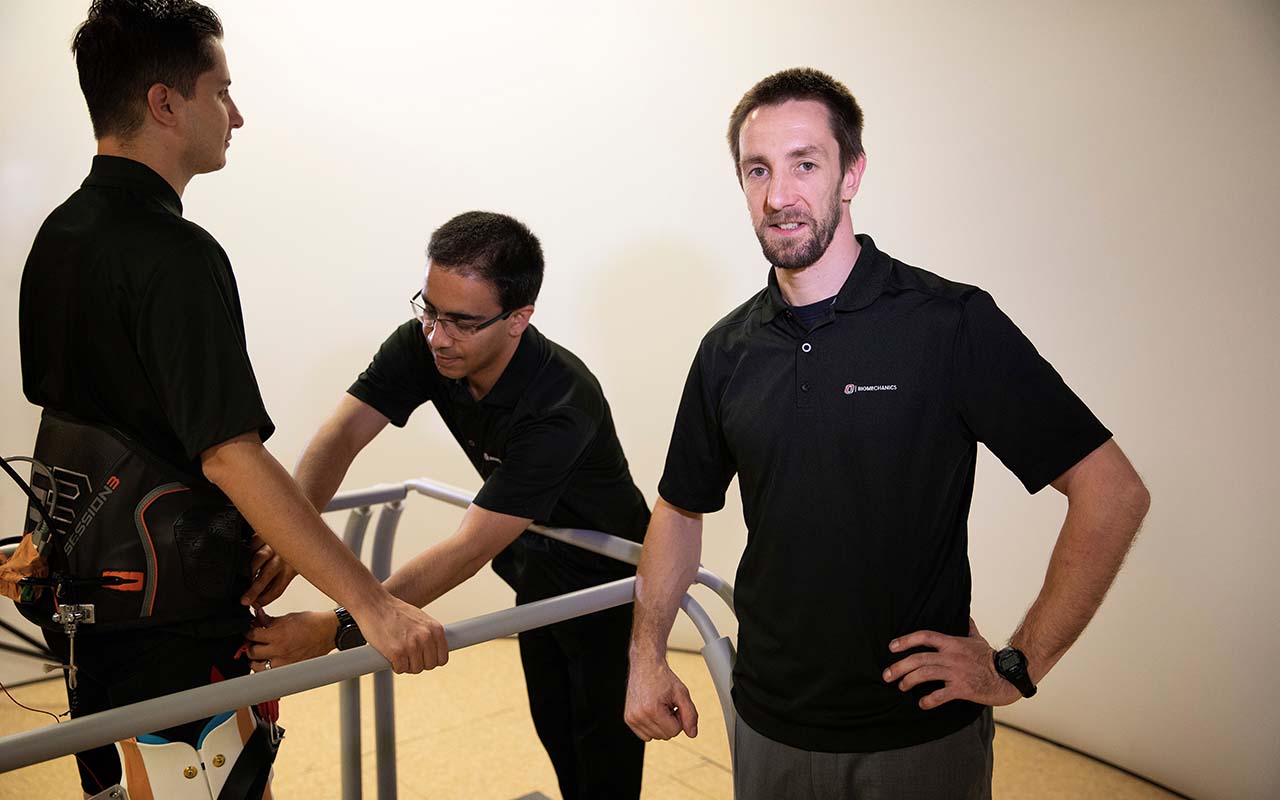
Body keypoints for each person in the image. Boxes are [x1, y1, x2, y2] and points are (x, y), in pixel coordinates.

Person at [623, 67, 1151, 799]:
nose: (780, 196)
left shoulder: (948, 323)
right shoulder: (726, 350)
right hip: (769, 723)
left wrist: (1020, 664)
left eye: (806, 163)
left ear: (851, 174)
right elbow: (681, 510)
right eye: (758, 169)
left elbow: (1112, 491)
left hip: (917, 735)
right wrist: (645, 656)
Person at [17, 2, 445, 795]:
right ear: (164, 103)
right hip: (174, 630)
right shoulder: (175, 254)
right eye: (222, 91)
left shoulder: (58, 236)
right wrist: (373, 605)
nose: (237, 115)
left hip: (89, 621)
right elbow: (229, 453)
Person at [245, 210, 649, 800]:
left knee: (603, 757)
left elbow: (468, 546)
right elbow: (342, 435)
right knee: (558, 733)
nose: (437, 336)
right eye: (429, 310)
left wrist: (339, 628)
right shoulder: (427, 345)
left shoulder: (562, 405)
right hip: (533, 560)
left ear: (519, 319)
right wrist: (287, 537)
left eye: (461, 322)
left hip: (607, 582)